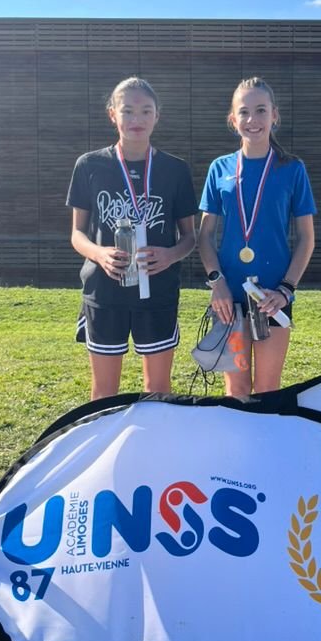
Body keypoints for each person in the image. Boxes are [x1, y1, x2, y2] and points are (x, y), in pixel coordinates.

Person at [67, 76, 197, 400]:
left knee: (158, 391)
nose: (136, 119)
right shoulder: (89, 165)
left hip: (157, 292)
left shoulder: (175, 169)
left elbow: (190, 237)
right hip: (104, 291)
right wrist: (99, 254)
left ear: (157, 116)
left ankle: (155, 436)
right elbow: (77, 234)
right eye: (127, 111)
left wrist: (169, 255)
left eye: (145, 111)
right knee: (104, 392)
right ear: (112, 114)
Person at [197, 77, 316, 398]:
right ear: (232, 119)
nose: (253, 119)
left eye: (261, 110)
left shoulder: (292, 169)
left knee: (267, 389)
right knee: (236, 389)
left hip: (272, 299)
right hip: (229, 300)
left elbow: (307, 239)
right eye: (244, 112)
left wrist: (286, 289)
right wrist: (217, 283)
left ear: (274, 115)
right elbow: (204, 236)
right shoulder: (219, 168)